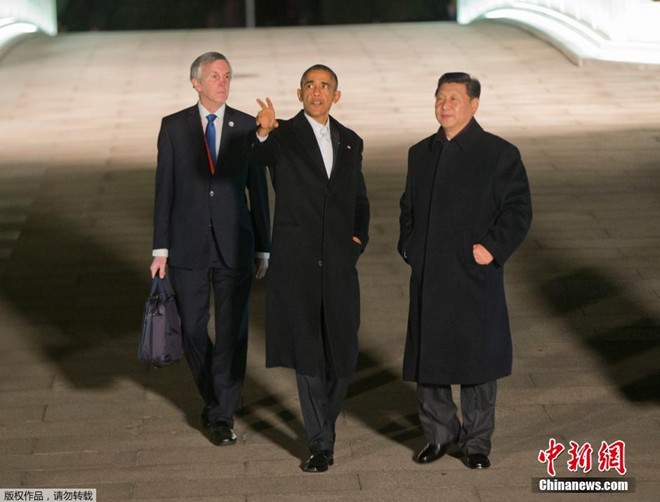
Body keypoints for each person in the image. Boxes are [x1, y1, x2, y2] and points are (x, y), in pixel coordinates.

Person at [398, 72, 532, 469]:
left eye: (454, 98)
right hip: (431, 272)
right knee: (429, 360)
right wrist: (411, 246)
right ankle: (439, 435)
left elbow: (518, 210)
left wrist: (492, 248)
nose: (445, 105)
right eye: (440, 97)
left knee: (478, 361)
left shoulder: (498, 153)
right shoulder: (420, 153)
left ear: (474, 104)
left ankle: (476, 442)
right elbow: (408, 207)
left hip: (474, 272)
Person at [251, 64, 370, 473]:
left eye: (324, 86)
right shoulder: (282, 135)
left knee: (343, 353)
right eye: (309, 86)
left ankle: (325, 424)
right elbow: (258, 155)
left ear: (336, 95)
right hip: (297, 263)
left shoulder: (351, 141)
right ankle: (320, 443)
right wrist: (263, 131)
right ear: (299, 94)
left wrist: (357, 240)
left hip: (339, 264)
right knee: (307, 354)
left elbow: (358, 199)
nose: (317, 92)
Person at [150, 52, 270, 446]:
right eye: (215, 76)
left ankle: (222, 415)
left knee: (233, 331)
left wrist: (264, 246)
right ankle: (216, 395)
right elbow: (164, 189)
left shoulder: (247, 126)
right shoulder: (173, 127)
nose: (223, 82)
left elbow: (258, 190)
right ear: (196, 83)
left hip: (235, 243)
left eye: (227, 76)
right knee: (191, 328)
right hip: (186, 244)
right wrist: (160, 249)